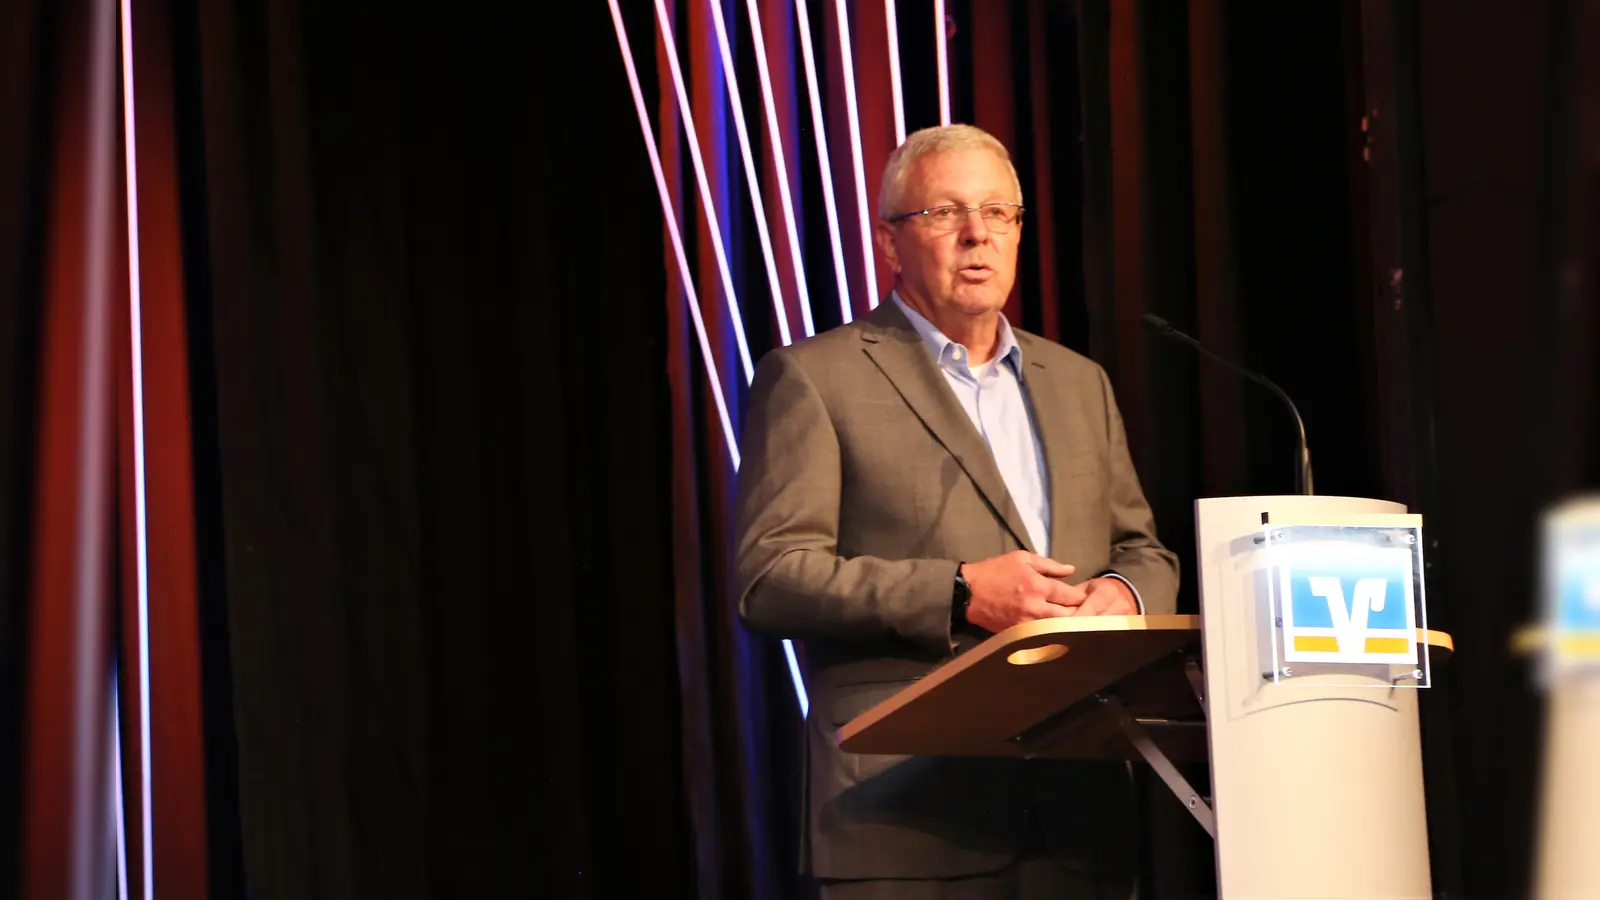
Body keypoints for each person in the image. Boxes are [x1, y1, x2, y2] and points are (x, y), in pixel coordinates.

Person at [733, 124, 1180, 899]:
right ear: (889, 243)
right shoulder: (813, 379)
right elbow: (770, 577)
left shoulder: (1079, 382)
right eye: (945, 213)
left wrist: (1124, 597)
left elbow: (1144, 550)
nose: (977, 234)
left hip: (1079, 810)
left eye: (998, 213)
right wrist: (960, 591)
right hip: (908, 810)